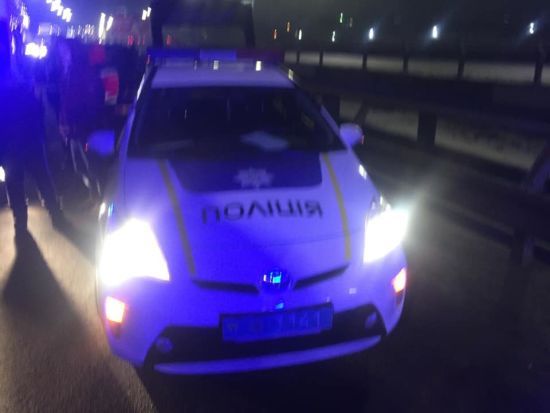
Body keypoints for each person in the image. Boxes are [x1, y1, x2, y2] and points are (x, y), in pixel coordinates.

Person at [0, 52, 64, 236]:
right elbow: (38, 113)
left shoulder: (7, 92)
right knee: (42, 179)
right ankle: (55, 213)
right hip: (30, 141)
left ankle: (21, 222)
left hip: (11, 146)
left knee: (15, 184)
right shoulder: (24, 87)